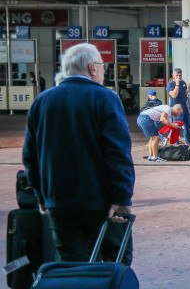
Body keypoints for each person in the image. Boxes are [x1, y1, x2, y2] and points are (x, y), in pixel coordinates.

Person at [23, 43, 134, 263]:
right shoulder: (105, 98)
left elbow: (30, 156)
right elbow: (118, 153)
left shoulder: (43, 101)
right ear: (92, 67)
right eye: (103, 66)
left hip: (58, 200)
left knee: (70, 263)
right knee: (116, 261)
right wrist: (121, 196)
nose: (103, 70)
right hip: (101, 201)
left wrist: (41, 195)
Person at [166, 68, 190, 143]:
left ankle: (187, 143)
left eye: (180, 75)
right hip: (176, 109)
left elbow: (185, 93)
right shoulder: (170, 84)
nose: (178, 77)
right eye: (176, 75)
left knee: (188, 126)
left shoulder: (183, 82)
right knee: (177, 127)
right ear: (173, 75)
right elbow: (174, 95)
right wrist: (177, 84)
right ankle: (176, 144)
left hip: (184, 107)